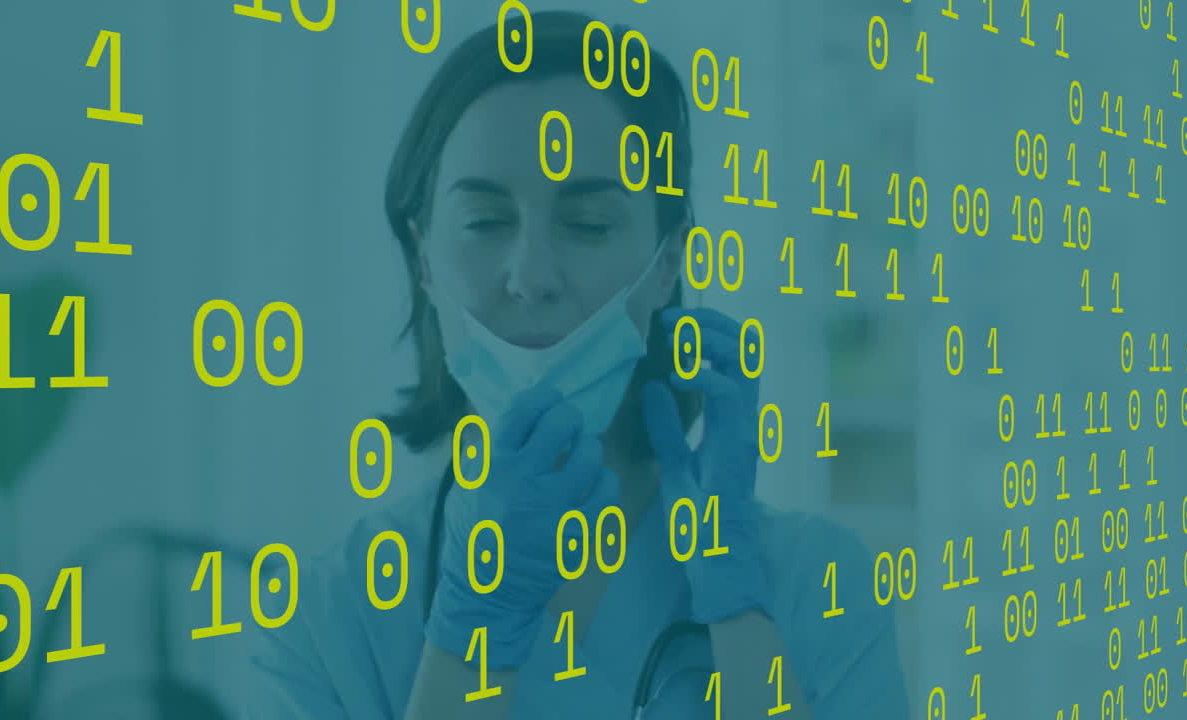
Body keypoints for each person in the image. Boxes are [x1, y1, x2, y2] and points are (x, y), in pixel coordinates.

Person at [242, 10, 910, 719]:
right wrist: (474, 630)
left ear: (667, 266)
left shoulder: (817, 584)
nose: (532, 276)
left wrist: (740, 620)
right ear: (423, 260)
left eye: (588, 223)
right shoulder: (326, 621)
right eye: (486, 223)